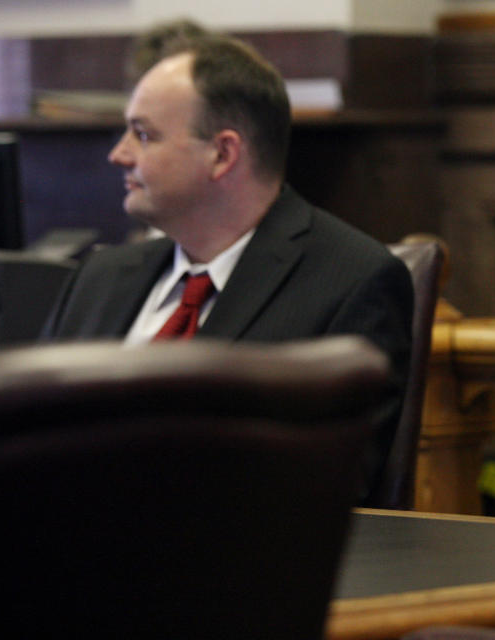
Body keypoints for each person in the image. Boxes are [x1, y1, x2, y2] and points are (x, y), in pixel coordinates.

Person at [43, 35, 414, 503]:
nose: (119, 155)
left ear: (222, 154)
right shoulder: (97, 278)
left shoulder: (350, 282)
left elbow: (321, 492)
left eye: (143, 134)